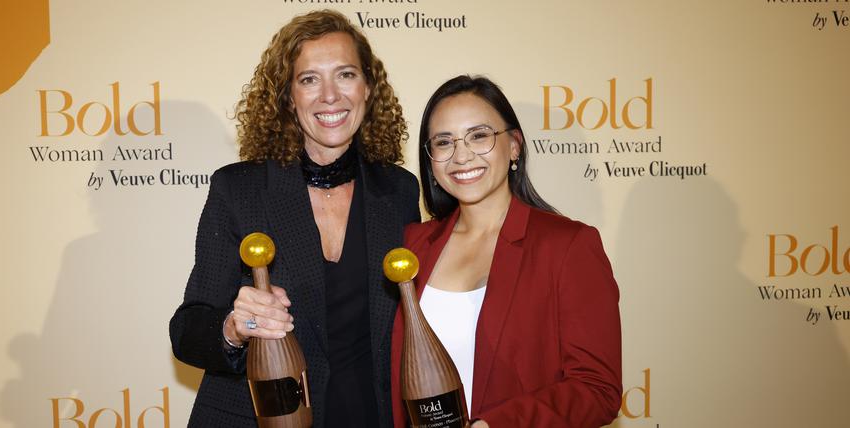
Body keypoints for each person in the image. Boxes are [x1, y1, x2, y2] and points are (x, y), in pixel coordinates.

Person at [170, 10, 419, 428]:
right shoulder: (239, 190)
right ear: (288, 97)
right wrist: (234, 327)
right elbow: (188, 331)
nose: (330, 95)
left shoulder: (399, 191)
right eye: (309, 79)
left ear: (368, 88)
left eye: (345, 75)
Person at [390, 76, 622, 428]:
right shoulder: (412, 245)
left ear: (514, 145)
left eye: (479, 135)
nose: (461, 155)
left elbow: (597, 389)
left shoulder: (567, 246)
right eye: (444, 142)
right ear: (431, 159)